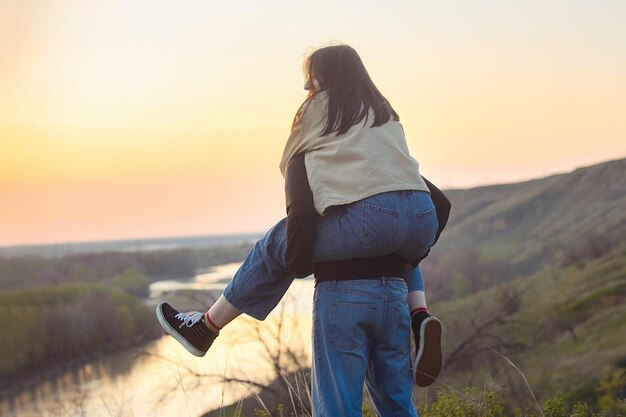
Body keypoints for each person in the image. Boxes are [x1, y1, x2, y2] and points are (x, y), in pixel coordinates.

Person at [156, 43, 449, 389]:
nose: (308, 89)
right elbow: (434, 202)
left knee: (274, 242)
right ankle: (420, 315)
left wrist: (297, 261)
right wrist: (414, 246)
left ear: (325, 78)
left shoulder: (317, 109)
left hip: (375, 224)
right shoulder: (383, 112)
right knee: (400, 236)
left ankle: (205, 326)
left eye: (311, 81)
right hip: (423, 215)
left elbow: (296, 176)